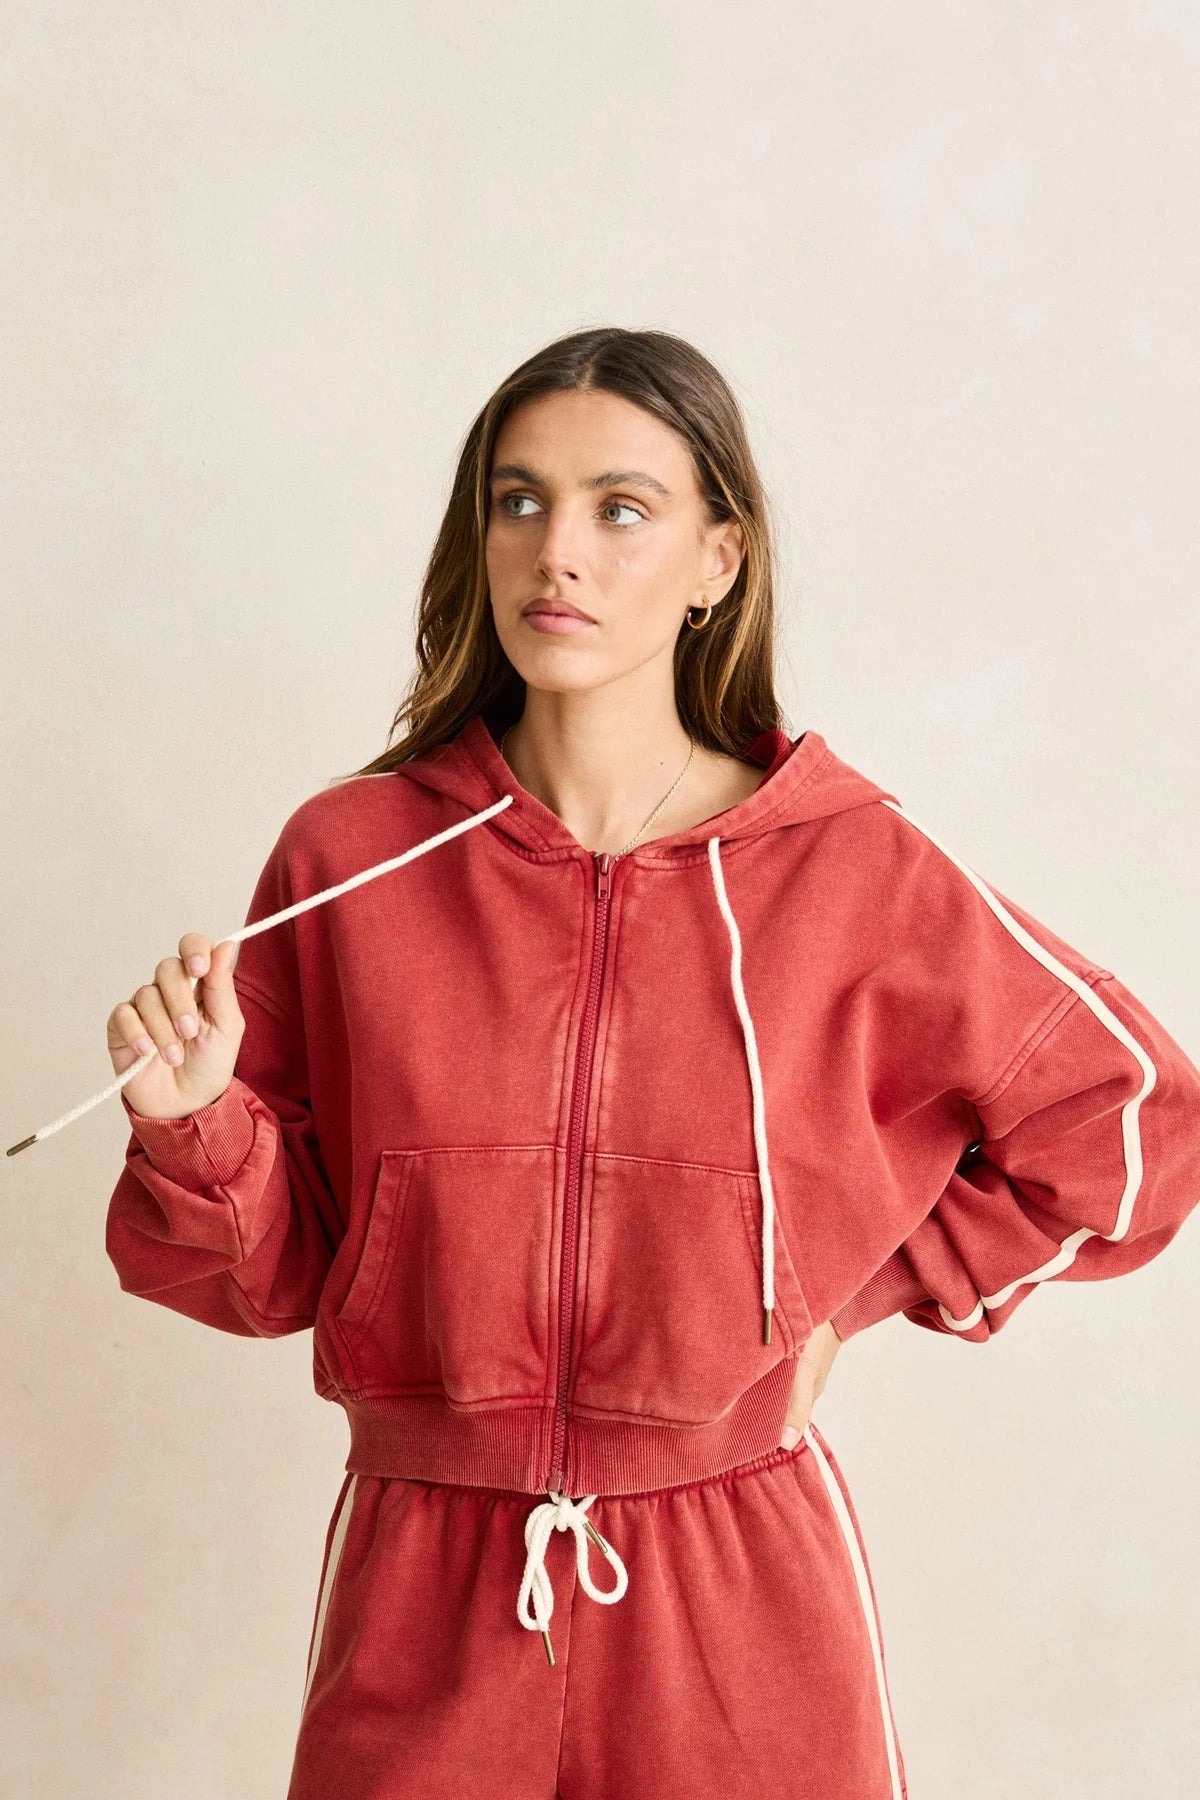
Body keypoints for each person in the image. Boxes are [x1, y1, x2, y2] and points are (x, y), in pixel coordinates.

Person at [104, 326, 1200, 1800]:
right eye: (519, 500)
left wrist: (852, 1292)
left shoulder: (851, 866)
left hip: (735, 1592)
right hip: (425, 1578)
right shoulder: (350, 858)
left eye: (621, 508)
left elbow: (1134, 1122)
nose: (557, 551)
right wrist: (197, 1127)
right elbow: (277, 1272)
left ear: (716, 560)